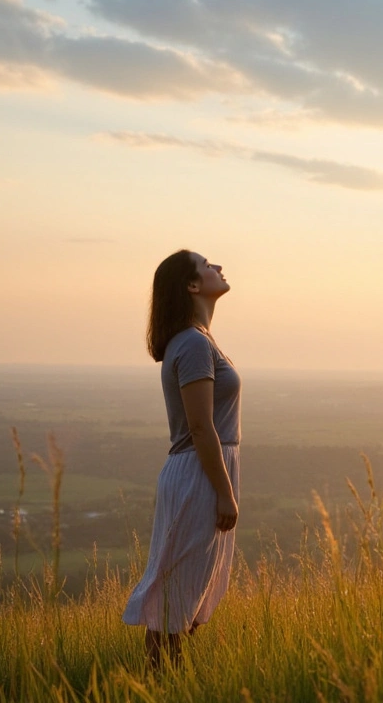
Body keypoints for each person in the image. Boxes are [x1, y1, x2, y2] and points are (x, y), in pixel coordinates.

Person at [123, 249, 242, 669]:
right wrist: (225, 494)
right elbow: (200, 427)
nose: (219, 267)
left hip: (203, 469)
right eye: (208, 265)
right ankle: (158, 683)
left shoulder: (197, 339)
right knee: (174, 601)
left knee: (186, 597)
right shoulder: (192, 343)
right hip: (199, 471)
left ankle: (170, 681)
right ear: (192, 286)